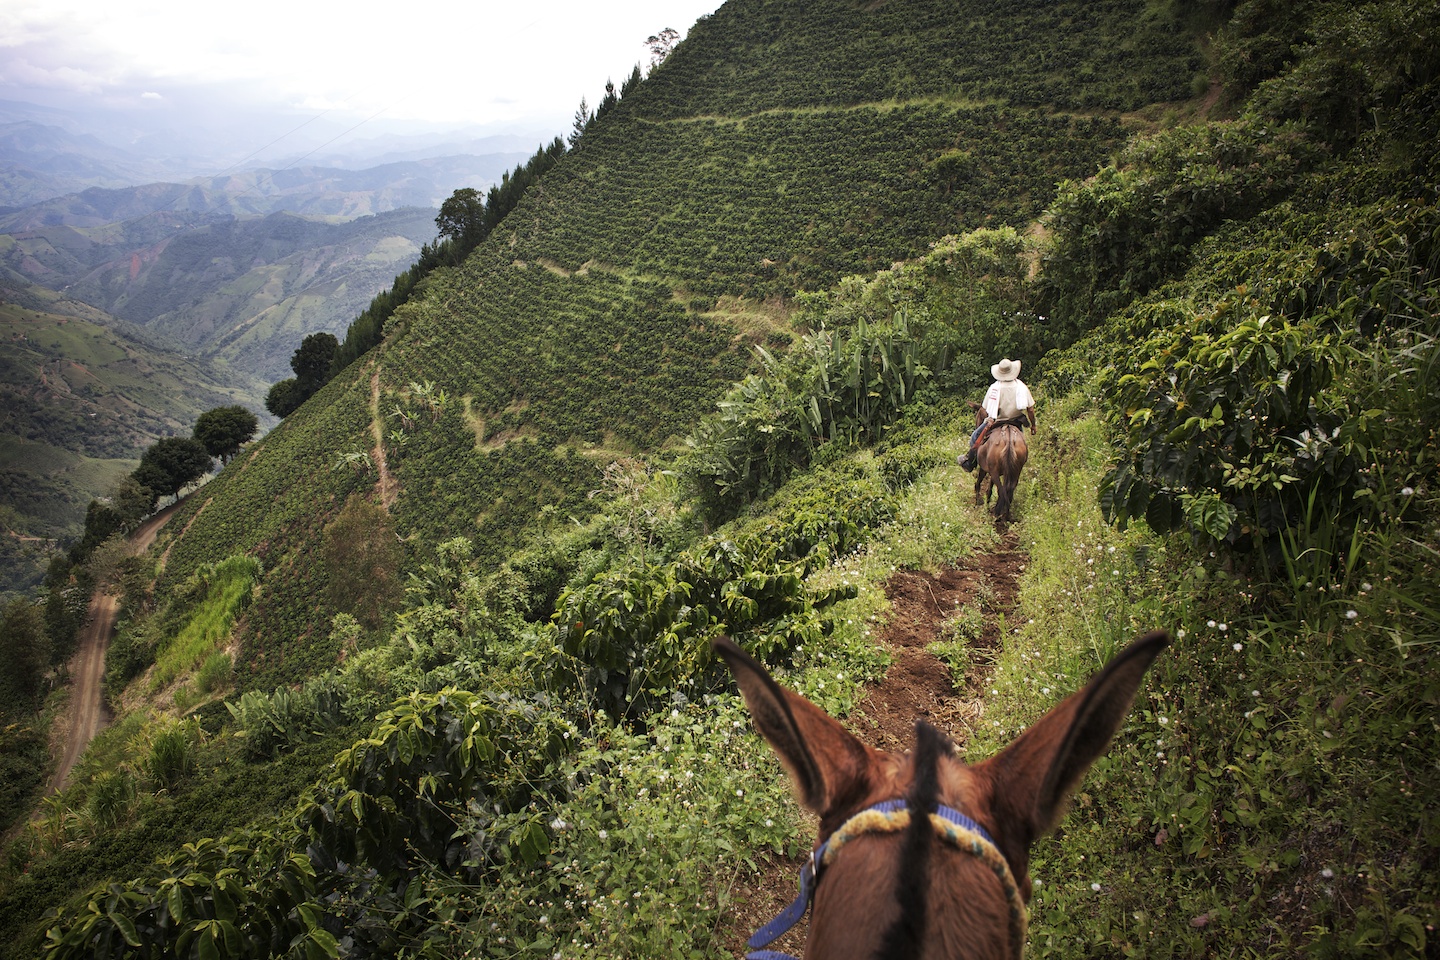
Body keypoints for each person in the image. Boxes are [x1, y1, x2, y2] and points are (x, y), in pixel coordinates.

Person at [959, 357, 1036, 471]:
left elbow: (984, 409)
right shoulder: (1022, 386)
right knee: (1022, 442)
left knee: (975, 436)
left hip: (996, 421)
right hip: (1016, 422)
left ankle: (971, 462)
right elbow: (1030, 409)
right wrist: (1033, 425)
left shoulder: (994, 387)